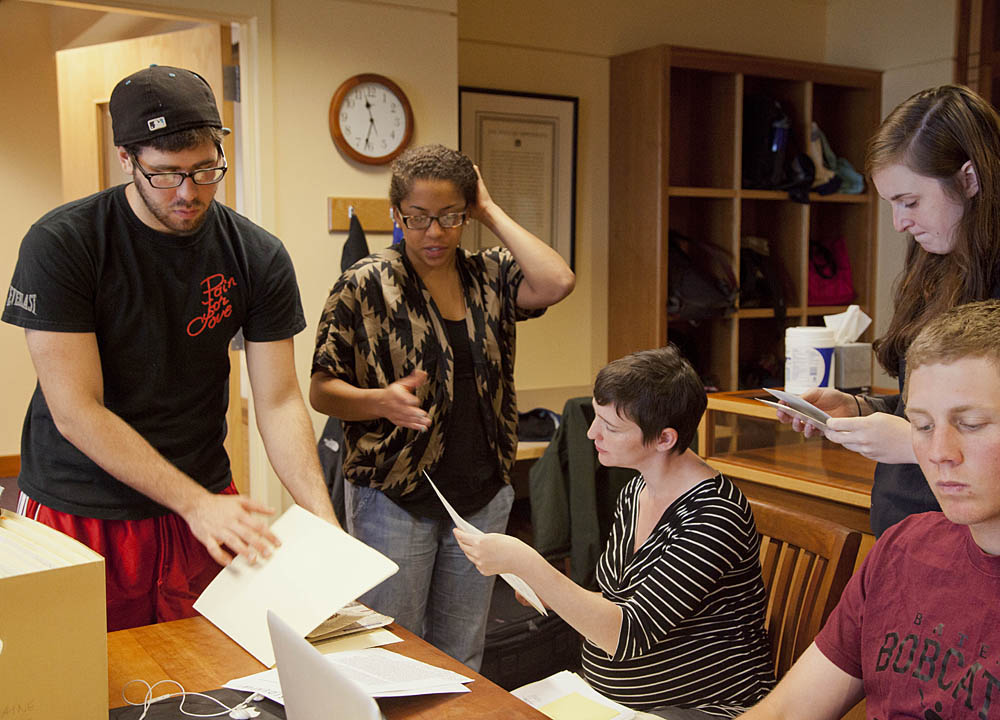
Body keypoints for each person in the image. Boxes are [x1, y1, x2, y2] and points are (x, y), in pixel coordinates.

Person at [2, 66, 338, 630]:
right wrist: (195, 503)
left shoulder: (257, 255)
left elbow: (278, 399)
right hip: (82, 505)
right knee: (83, 684)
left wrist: (320, 515)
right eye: (165, 174)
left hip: (204, 499)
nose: (188, 192)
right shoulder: (63, 243)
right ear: (126, 159)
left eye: (206, 170)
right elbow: (76, 410)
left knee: (213, 680)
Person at [739, 300, 1000, 719]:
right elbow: (787, 711)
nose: (938, 453)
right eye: (921, 426)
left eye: (971, 424)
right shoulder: (903, 549)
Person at [308, 143, 575, 670]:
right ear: (397, 215)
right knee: (392, 652)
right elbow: (320, 388)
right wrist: (378, 401)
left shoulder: (490, 275)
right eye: (419, 219)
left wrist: (490, 210)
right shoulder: (365, 284)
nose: (434, 233)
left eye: (450, 217)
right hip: (394, 496)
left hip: (480, 496)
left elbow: (557, 281)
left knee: (462, 655)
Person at [778, 84, 1000, 536]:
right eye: (893, 204)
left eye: (910, 202)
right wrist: (862, 409)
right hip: (908, 532)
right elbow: (947, 399)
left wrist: (914, 443)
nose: (900, 223)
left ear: (969, 179)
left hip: (987, 544)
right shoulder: (944, 249)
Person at [455, 346, 775, 718]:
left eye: (611, 427)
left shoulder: (712, 515)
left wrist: (528, 564)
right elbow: (615, 597)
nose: (592, 433)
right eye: (596, 418)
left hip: (700, 708)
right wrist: (546, 588)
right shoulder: (636, 489)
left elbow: (624, 635)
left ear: (665, 439)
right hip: (612, 699)